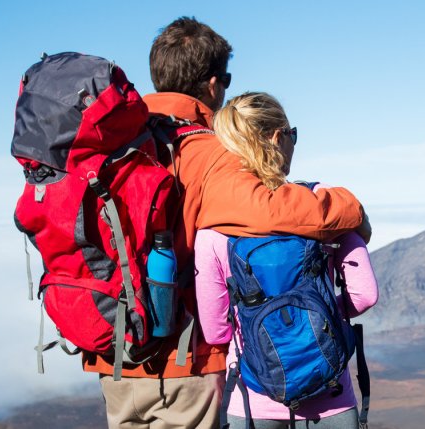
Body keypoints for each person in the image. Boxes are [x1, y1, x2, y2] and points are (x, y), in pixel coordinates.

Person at [87, 17, 372, 429]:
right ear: (214, 84)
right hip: (185, 361)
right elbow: (272, 210)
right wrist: (350, 208)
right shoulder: (213, 153)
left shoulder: (112, 148)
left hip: (116, 353)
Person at [196, 92, 378, 429]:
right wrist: (317, 315)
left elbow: (215, 330)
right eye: (292, 133)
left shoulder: (214, 227)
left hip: (254, 396)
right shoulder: (324, 205)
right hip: (332, 394)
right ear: (279, 136)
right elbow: (364, 295)